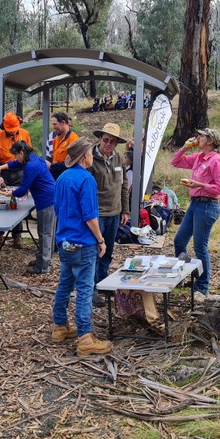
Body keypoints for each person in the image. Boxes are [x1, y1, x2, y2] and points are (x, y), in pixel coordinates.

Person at [51, 138, 113, 357]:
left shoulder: (62, 178)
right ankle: (85, 337)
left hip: (65, 240)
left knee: (65, 283)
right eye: (89, 152)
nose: (92, 155)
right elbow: (90, 216)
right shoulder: (87, 179)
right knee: (85, 288)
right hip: (83, 241)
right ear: (83, 156)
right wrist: (100, 239)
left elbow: (57, 208)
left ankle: (59, 326)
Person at [172, 128, 220, 300]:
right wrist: (184, 147)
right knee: (179, 241)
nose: (197, 137)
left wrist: (200, 185)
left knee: (199, 247)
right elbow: (176, 162)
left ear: (210, 141)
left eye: (201, 136)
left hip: (207, 206)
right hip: (194, 204)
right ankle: (183, 275)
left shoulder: (216, 161)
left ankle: (202, 286)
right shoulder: (198, 157)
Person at [0, 141, 56, 274]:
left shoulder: (31, 166)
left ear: (21, 153)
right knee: (48, 232)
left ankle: (43, 266)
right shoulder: (33, 157)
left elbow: (22, 190)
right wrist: (1, 167)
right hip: (51, 198)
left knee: (45, 233)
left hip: (46, 201)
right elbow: (17, 163)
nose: (15, 159)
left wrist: (8, 193)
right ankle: (44, 259)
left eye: (16, 155)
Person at [88, 123, 130, 307]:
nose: (108, 144)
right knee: (96, 251)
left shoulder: (119, 158)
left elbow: (123, 185)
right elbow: (86, 188)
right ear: (100, 139)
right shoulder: (89, 157)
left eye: (112, 142)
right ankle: (91, 289)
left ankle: (103, 282)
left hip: (115, 212)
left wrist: (125, 210)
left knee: (109, 251)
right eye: (105, 140)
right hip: (97, 213)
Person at [0, 112, 32, 248]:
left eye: (15, 131)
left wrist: (27, 174)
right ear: (4, 127)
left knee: (17, 203)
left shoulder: (24, 134)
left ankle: (17, 237)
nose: (13, 134)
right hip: (4, 172)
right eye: (10, 131)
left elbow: (30, 156)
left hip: (20, 172)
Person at [46, 112, 78, 179]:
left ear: (63, 122)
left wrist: (51, 166)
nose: (53, 127)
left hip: (66, 179)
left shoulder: (74, 139)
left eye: (55, 124)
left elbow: (71, 164)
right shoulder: (55, 140)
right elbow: (54, 159)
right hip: (55, 178)